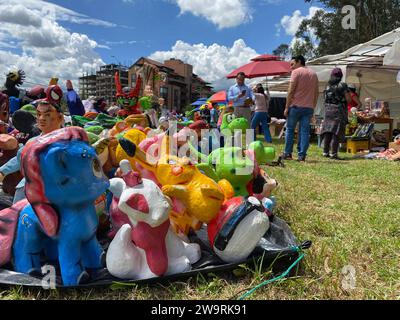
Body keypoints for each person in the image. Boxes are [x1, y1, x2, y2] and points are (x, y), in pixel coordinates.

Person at [0, 97, 64, 203]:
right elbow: (21, 157)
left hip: (58, 192)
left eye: (47, 114)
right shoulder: (34, 141)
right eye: (39, 114)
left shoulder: (69, 142)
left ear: (60, 118)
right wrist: (3, 171)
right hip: (28, 190)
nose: (42, 118)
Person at [283, 55, 319, 162]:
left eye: (292, 64)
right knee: (304, 132)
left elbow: (290, 91)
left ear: (299, 62)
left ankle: (288, 153)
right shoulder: (314, 74)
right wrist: (313, 106)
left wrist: (286, 107)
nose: (291, 67)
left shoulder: (296, 72)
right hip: (308, 108)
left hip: (295, 107)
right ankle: (302, 155)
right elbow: (316, 93)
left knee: (290, 130)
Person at [321, 68, 351, 160]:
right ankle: (334, 153)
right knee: (336, 132)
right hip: (338, 111)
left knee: (328, 131)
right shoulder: (342, 85)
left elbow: (324, 98)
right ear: (341, 76)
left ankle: (325, 152)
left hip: (328, 110)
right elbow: (348, 99)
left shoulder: (327, 86)